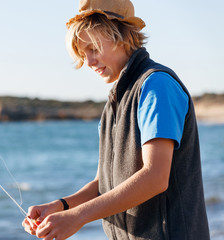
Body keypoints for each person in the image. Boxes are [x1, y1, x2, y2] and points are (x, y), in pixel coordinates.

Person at [22, 0, 210, 239]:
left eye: (94, 48)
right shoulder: (114, 103)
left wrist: (79, 217)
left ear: (122, 36)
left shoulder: (157, 85)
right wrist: (62, 206)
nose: (88, 62)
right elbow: (104, 183)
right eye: (82, 53)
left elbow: (155, 177)